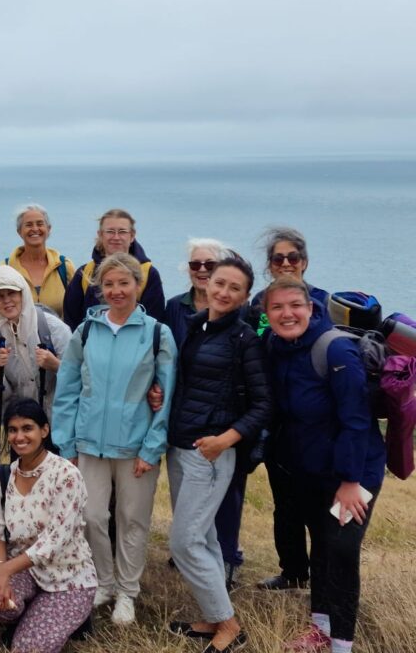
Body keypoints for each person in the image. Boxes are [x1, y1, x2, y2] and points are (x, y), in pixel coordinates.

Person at [51, 253, 176, 625]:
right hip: (89, 443)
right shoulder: (86, 331)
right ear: (100, 289)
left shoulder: (157, 333)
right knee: (91, 516)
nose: (117, 291)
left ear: (137, 285)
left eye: (124, 283)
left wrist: (153, 448)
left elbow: (166, 396)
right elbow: (67, 389)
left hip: (136, 446)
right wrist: (67, 442)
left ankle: (127, 591)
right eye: (109, 284)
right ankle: (103, 583)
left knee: (132, 519)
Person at [263, 276, 385, 652]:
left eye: (295, 305)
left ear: (311, 308)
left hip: (354, 472)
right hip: (309, 470)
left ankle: (342, 644)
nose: (287, 314)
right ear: (267, 315)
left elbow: (357, 420)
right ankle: (319, 629)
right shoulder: (275, 346)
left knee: (342, 552)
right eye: (277, 307)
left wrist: (350, 481)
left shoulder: (335, 352)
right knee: (321, 547)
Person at [166, 255, 272, 653]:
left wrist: (225, 440)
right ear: (207, 284)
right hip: (182, 446)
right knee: (205, 538)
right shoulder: (197, 327)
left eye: (235, 288)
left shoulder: (244, 340)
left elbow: (263, 404)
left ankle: (229, 625)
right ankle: (213, 616)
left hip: (209, 454)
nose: (224, 292)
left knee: (184, 541)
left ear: (245, 297)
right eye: (220, 283)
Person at [0, 399, 97, 653]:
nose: (19, 436)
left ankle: (63, 616)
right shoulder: (6, 474)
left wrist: (5, 571)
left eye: (27, 428)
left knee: (27, 648)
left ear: (44, 430)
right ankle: (31, 614)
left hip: (66, 575)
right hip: (24, 570)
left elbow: (54, 540)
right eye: (13, 429)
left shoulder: (66, 475)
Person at [248, 227, 330, 592]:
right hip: (276, 419)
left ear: (304, 262)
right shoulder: (257, 305)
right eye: (277, 258)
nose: (285, 263)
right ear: (269, 266)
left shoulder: (323, 302)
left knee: (319, 505)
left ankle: (327, 578)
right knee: (285, 503)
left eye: (292, 257)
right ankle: (293, 572)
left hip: (314, 419)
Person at [0, 265, 71, 421]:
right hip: (21, 428)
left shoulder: (53, 327)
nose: (6, 300)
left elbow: (80, 378)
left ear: (23, 294)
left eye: (11, 293)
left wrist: (56, 365)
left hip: (59, 425)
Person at [63, 208, 166, 329]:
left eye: (122, 231)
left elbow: (154, 321)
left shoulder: (148, 273)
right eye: (110, 231)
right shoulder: (85, 273)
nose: (116, 237)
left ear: (132, 236)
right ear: (100, 235)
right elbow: (71, 321)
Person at [0, 204, 74, 327]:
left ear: (48, 228)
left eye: (40, 224)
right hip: (16, 343)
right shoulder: (6, 269)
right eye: (28, 225)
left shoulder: (64, 267)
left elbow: (76, 311)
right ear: (19, 231)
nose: (35, 229)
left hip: (59, 342)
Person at [163, 237, 231, 348]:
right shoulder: (174, 306)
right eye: (195, 264)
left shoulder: (234, 307)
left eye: (210, 264)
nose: (202, 269)